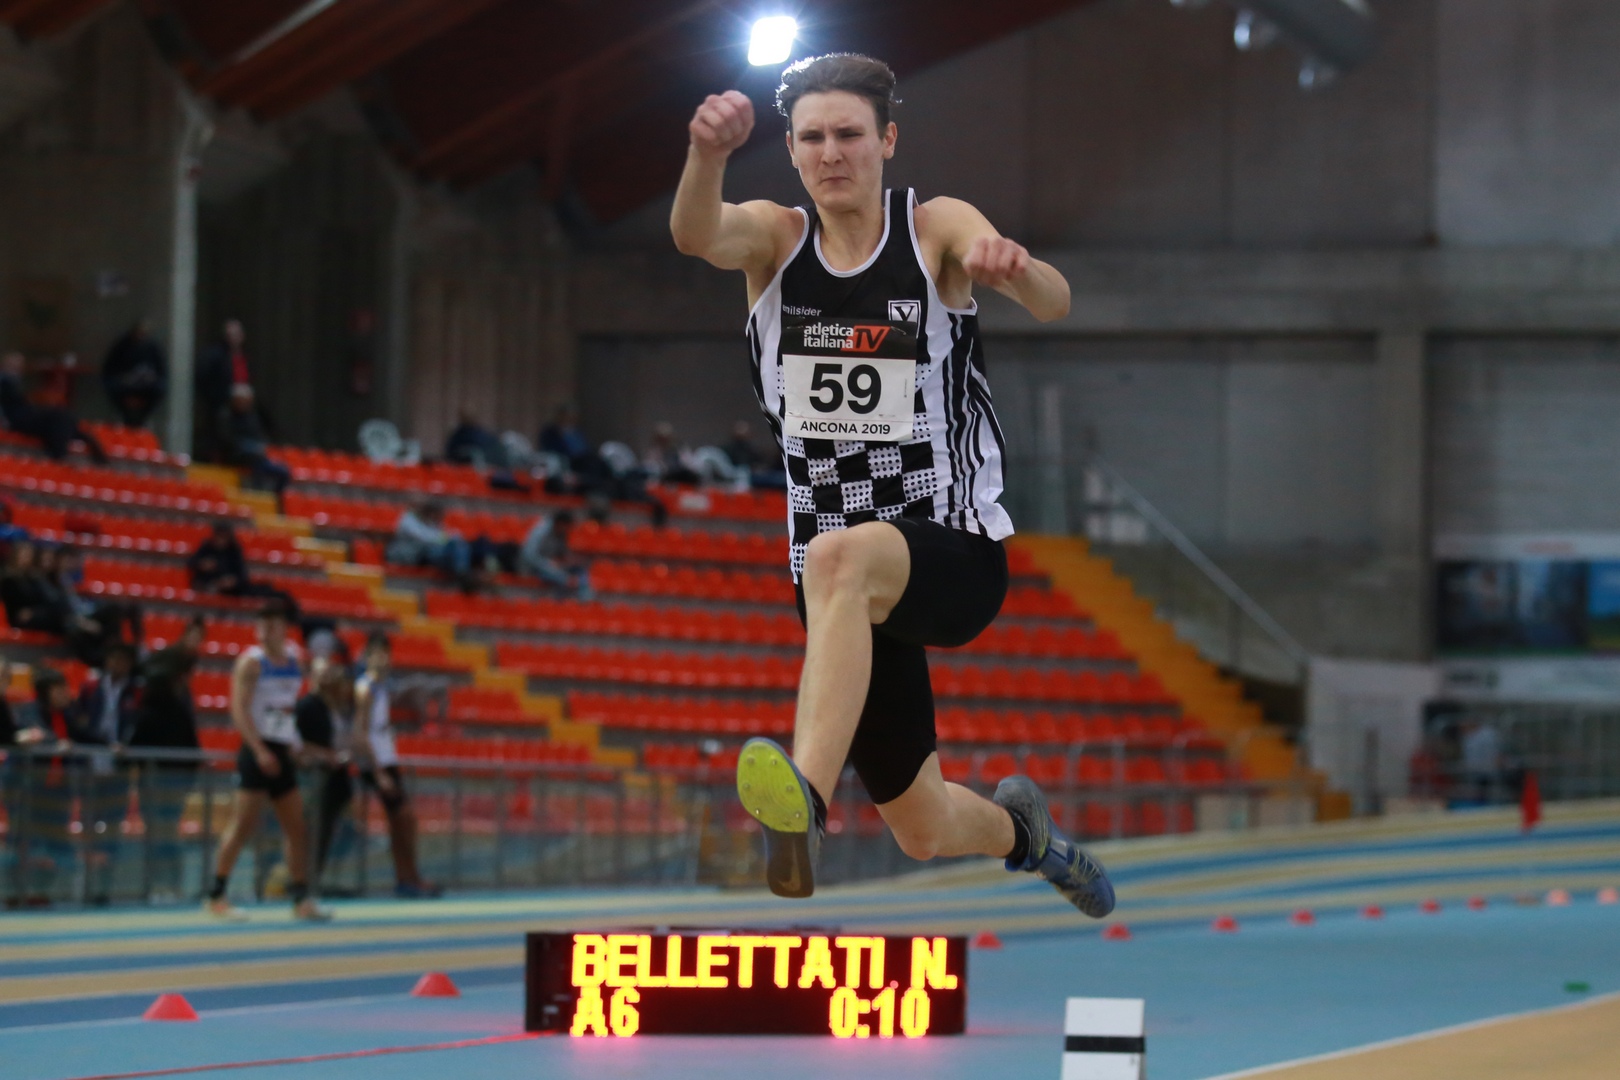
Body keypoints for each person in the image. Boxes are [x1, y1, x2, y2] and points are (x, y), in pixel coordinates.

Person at [669, 55, 1113, 915]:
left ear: (888, 141)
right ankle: (1032, 838)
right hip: (844, 593)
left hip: (951, 552)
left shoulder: (933, 226)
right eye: (812, 138)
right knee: (922, 826)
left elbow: (1055, 301)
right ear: (791, 152)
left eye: (849, 134)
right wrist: (706, 154)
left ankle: (803, 796)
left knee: (838, 555)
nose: (831, 152)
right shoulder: (774, 241)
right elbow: (697, 235)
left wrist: (1013, 268)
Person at [204, 601, 328, 921]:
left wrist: (294, 745)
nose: (264, 631)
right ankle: (217, 894)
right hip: (257, 749)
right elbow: (239, 710)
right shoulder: (251, 663)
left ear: (284, 628)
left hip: (282, 749)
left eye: (271, 624)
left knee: (296, 827)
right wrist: (259, 750)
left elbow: (287, 707)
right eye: (261, 624)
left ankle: (300, 897)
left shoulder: (294, 659)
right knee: (242, 824)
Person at [352, 633, 438, 898]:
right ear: (367, 656)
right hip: (377, 764)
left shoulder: (382, 687)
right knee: (404, 819)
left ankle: (408, 877)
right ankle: (408, 877)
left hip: (387, 759)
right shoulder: (365, 689)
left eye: (386, 653)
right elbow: (360, 733)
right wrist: (378, 772)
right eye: (377, 653)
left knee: (403, 823)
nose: (382, 659)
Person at [130, 618, 203, 899]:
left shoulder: (153, 713)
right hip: (165, 785)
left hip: (161, 785)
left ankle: (164, 884)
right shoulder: (168, 712)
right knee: (164, 834)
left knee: (163, 835)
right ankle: (166, 884)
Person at [294, 655, 354, 886]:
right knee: (311, 834)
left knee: (326, 833)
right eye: (322, 673)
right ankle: (302, 881)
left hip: (333, 780)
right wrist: (326, 755)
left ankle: (313, 880)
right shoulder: (307, 705)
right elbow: (296, 744)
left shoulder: (332, 706)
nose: (326, 679)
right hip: (314, 779)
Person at [0, 351, 107, 463]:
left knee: (63, 419)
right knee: (60, 419)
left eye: (18, 366)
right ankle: (58, 457)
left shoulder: (15, 383)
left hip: (31, 418)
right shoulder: (5, 383)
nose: (16, 369)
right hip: (16, 419)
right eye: (12, 365)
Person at [216, 385, 290, 496]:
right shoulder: (225, 415)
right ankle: (257, 493)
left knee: (283, 471)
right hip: (234, 455)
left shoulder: (252, 416)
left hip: (255, 455)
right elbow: (226, 439)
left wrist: (259, 446)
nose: (244, 403)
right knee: (256, 458)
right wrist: (247, 446)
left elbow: (260, 436)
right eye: (241, 399)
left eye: (247, 400)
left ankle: (275, 498)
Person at [101, 319, 168, 429]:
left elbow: (161, 370)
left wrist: (150, 377)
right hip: (124, 384)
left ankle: (143, 419)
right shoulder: (122, 346)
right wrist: (124, 377)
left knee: (160, 388)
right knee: (112, 386)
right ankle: (124, 417)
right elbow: (109, 368)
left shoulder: (152, 347)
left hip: (146, 385)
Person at [519, 511, 591, 600]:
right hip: (535, 568)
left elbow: (561, 554)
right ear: (560, 523)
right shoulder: (540, 531)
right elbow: (529, 556)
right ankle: (566, 586)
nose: (568, 529)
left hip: (555, 567)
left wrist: (568, 561)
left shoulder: (562, 533)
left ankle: (586, 603)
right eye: (567, 526)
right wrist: (548, 563)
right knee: (558, 574)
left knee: (581, 573)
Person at [444, 406, 509, 470]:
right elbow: (449, 456)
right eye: (465, 415)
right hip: (461, 471)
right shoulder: (456, 437)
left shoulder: (485, 437)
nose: (468, 417)